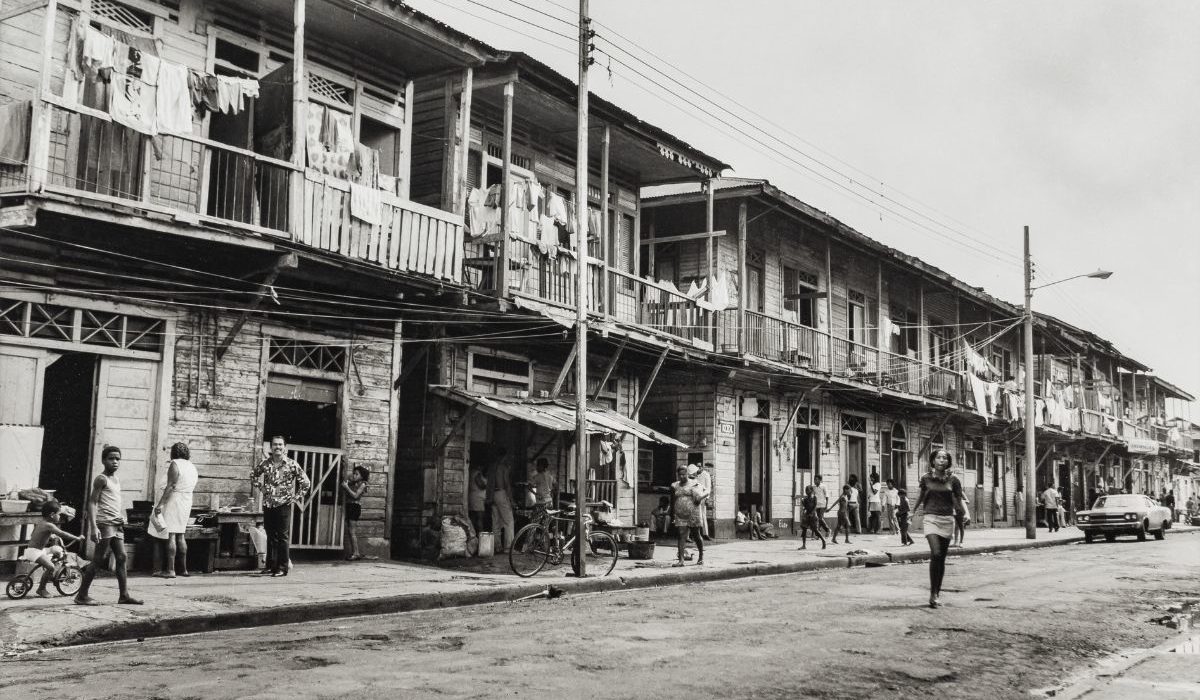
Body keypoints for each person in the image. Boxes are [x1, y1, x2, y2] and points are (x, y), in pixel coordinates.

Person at [75, 445, 142, 606]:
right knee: (98, 559)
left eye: (118, 459)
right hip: (105, 523)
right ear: (103, 460)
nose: (115, 462)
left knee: (122, 557)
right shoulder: (101, 479)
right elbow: (92, 502)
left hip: (117, 522)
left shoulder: (115, 479)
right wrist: (93, 527)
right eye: (111, 458)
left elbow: (113, 501)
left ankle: (124, 595)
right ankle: (81, 595)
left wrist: (121, 516)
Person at [250, 436, 312, 577]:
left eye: (280, 445)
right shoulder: (265, 463)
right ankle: (271, 565)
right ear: (271, 447)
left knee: (282, 536)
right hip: (268, 504)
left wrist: (296, 497)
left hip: (284, 504)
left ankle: (282, 568)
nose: (277, 447)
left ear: (284, 447)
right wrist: (261, 487)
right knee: (271, 535)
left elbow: (306, 483)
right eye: (275, 445)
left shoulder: (291, 464)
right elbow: (253, 475)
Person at [914, 448, 965, 609]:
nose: (942, 460)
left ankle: (936, 592)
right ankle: (932, 593)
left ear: (948, 462)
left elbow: (959, 499)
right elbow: (921, 496)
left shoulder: (954, 480)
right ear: (933, 460)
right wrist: (912, 511)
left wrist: (965, 514)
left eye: (945, 458)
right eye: (939, 457)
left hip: (947, 519)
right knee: (935, 553)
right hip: (930, 518)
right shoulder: (926, 478)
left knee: (941, 558)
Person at [151, 442, 198, 578]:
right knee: (180, 534)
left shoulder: (175, 464)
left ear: (174, 453)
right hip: (186, 499)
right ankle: (183, 569)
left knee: (171, 534)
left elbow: (170, 486)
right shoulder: (192, 466)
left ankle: (170, 570)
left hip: (175, 500)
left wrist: (160, 504)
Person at [23, 501, 83, 598]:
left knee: (57, 550)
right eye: (59, 514)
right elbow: (62, 533)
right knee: (51, 567)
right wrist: (76, 538)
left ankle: (50, 575)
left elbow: (35, 535)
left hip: (36, 550)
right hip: (34, 552)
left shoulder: (42, 523)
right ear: (52, 515)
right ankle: (41, 589)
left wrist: (50, 535)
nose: (59, 517)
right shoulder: (49, 525)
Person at [669, 465, 703, 566]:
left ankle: (701, 557)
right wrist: (673, 513)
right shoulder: (675, 485)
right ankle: (681, 560)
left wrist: (698, 499)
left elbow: (699, 497)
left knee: (696, 535)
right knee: (681, 535)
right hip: (680, 515)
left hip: (693, 513)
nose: (682, 476)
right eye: (680, 475)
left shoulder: (694, 484)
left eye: (684, 474)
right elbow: (673, 500)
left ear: (687, 474)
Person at [341, 465, 369, 561]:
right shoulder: (354, 482)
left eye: (357, 474)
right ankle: (355, 552)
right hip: (350, 506)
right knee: (350, 531)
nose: (354, 475)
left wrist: (346, 487)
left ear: (362, 476)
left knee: (352, 531)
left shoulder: (363, 484)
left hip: (355, 507)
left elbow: (355, 496)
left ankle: (356, 553)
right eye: (354, 473)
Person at [489, 449, 514, 553]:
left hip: (493, 494)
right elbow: (507, 484)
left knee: (496, 522)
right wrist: (511, 500)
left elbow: (489, 484)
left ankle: (497, 546)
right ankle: (508, 548)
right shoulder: (503, 467)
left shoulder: (492, 467)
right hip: (501, 493)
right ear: (503, 457)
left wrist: (489, 497)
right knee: (509, 521)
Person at [797, 485, 826, 550]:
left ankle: (823, 540)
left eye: (808, 490)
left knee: (816, 530)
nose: (807, 491)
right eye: (806, 490)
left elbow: (815, 506)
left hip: (813, 516)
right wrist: (803, 503)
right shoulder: (805, 499)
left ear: (812, 491)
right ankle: (804, 545)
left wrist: (811, 513)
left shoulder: (814, 498)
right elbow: (806, 507)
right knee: (804, 529)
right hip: (807, 515)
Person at [695, 463, 714, 541]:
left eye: (700, 466)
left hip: (703, 497)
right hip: (694, 497)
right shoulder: (694, 474)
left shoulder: (706, 474)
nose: (698, 468)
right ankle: (696, 534)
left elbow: (708, 487)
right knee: (695, 516)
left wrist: (707, 498)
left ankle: (705, 534)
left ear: (702, 467)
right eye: (697, 467)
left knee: (703, 515)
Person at [468, 466, 488, 535]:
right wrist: (489, 485)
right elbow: (481, 485)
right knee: (480, 519)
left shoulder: (471, 472)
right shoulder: (477, 473)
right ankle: (481, 536)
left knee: (473, 518)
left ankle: (472, 535)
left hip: (473, 496)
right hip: (478, 498)